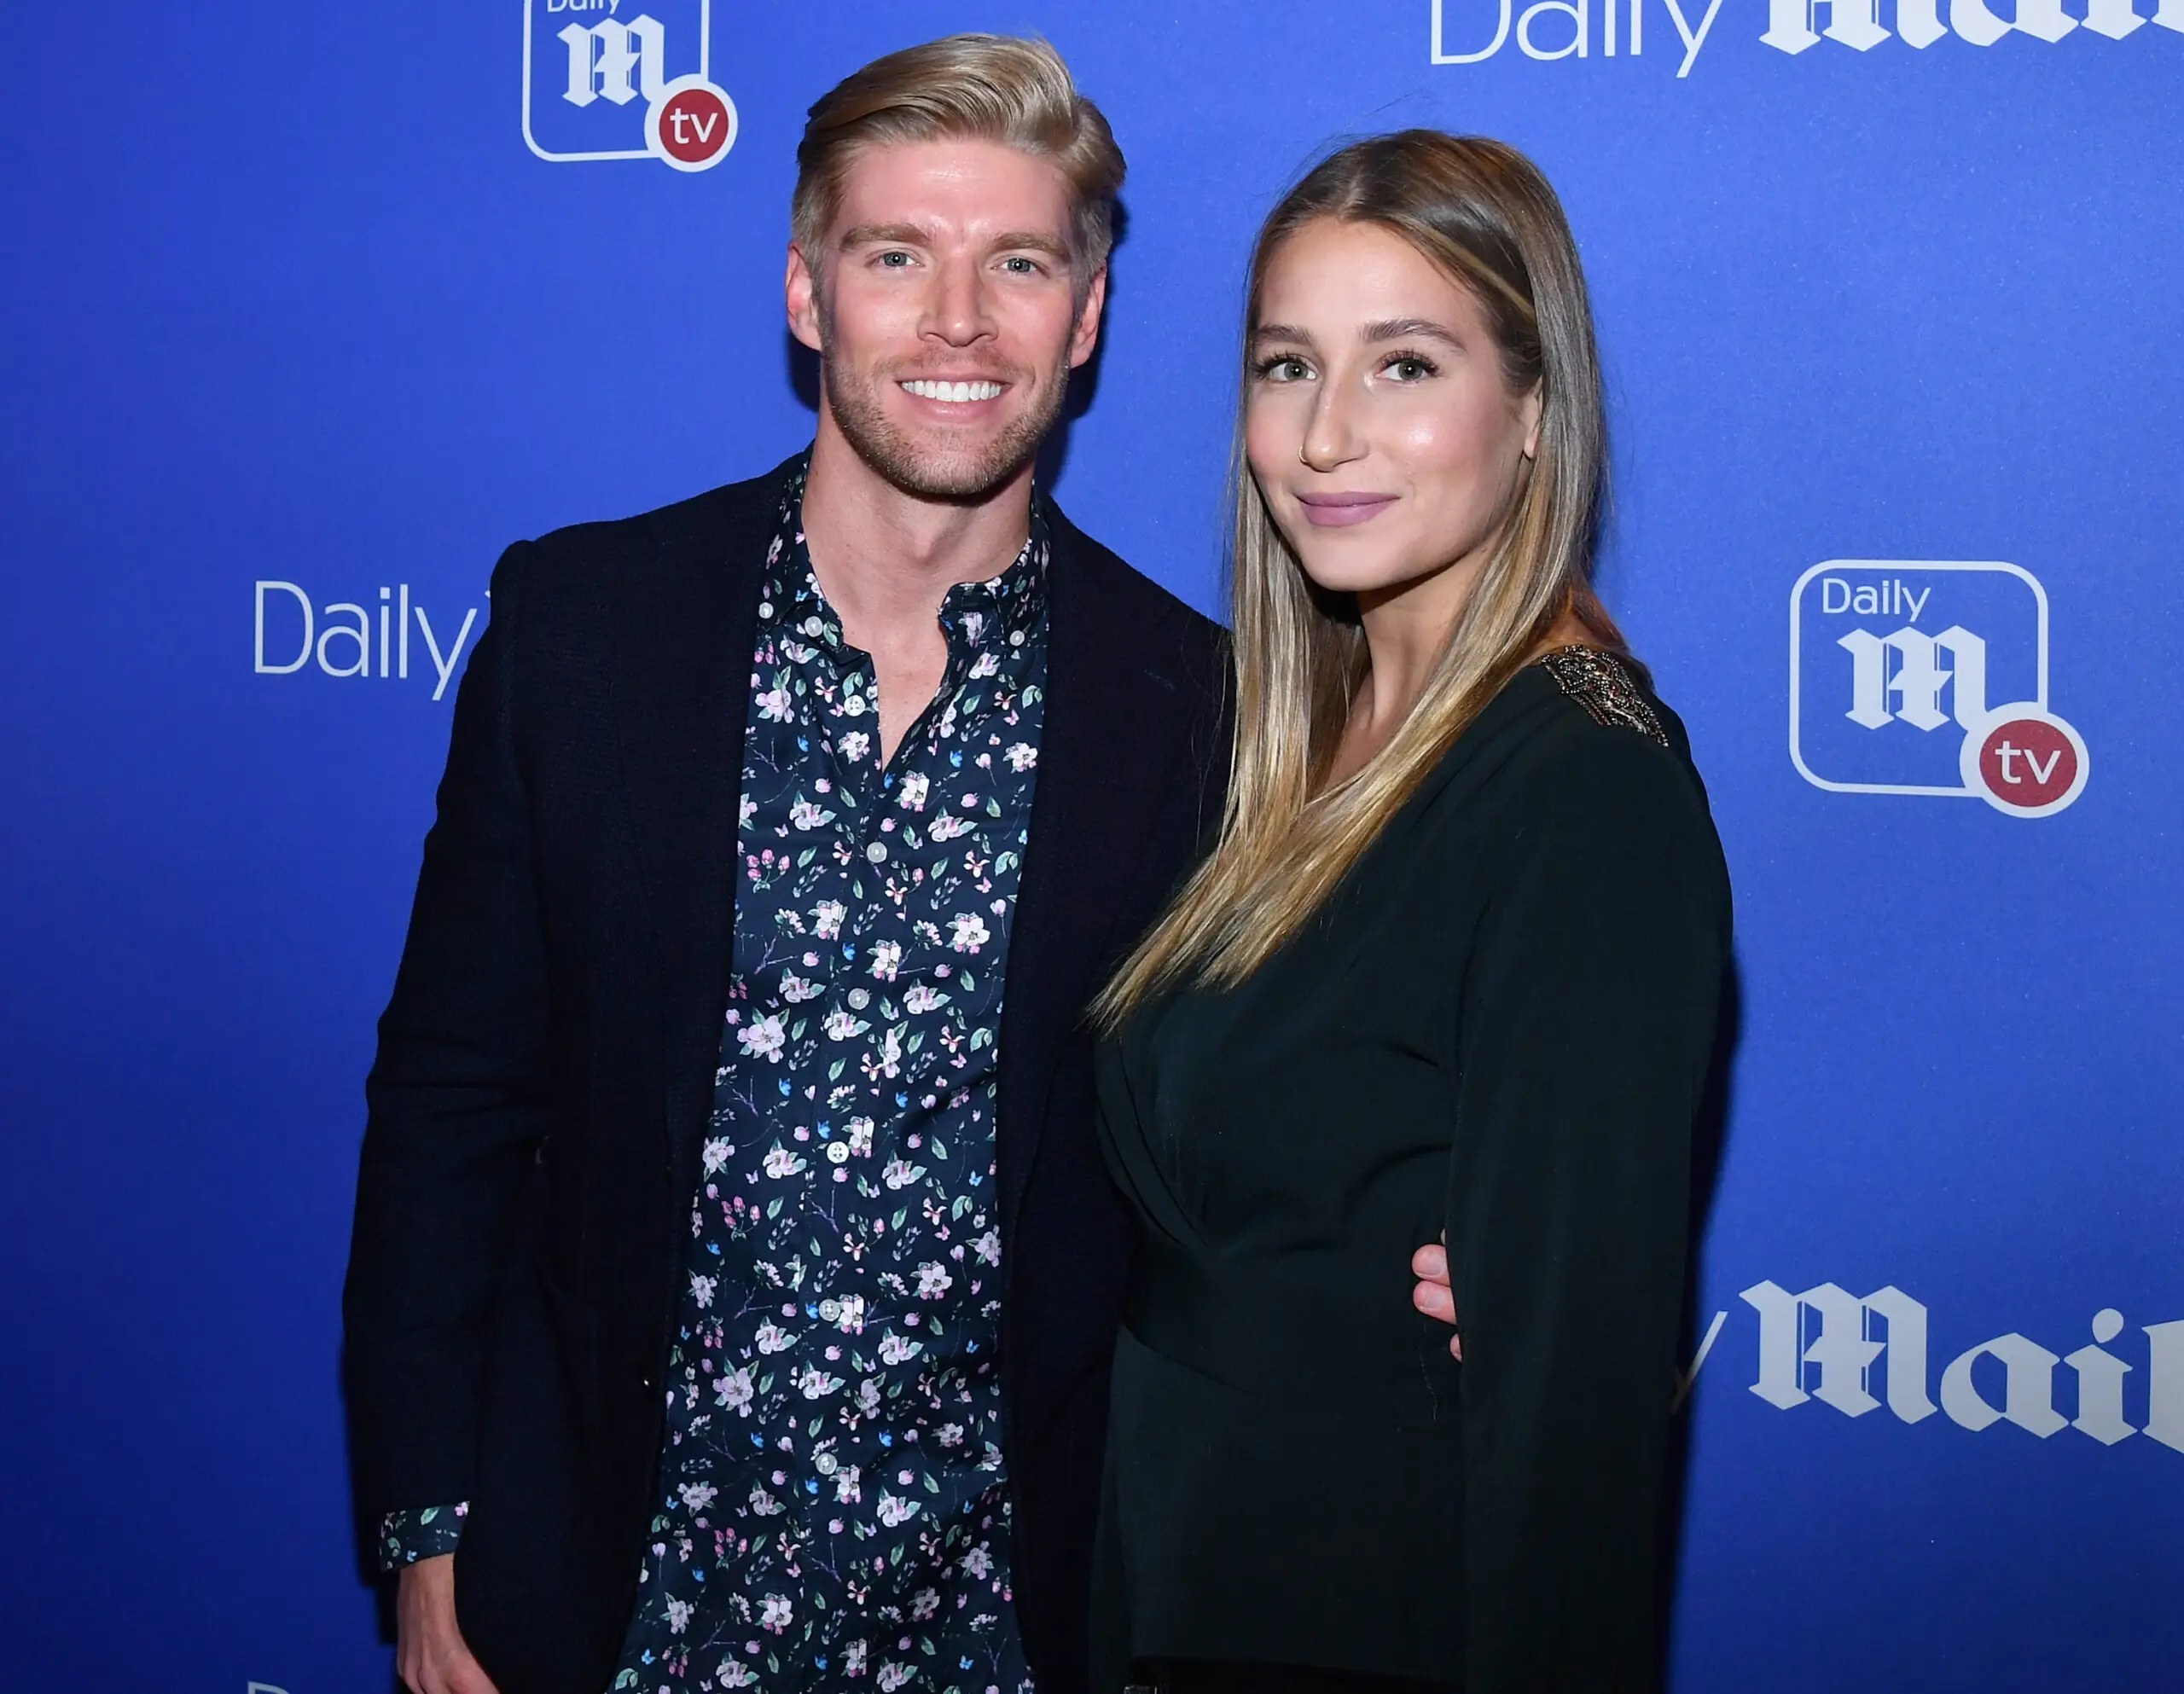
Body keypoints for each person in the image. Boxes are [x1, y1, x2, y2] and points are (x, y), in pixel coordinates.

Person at [341, 36, 1237, 1694]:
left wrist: (1463, 1245)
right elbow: (453, 1099)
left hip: (1008, 1635)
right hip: (619, 1612)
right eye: (897, 255)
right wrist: (427, 1523)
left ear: (1087, 315)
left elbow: (1261, 1158)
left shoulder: (1198, 711)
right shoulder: (587, 633)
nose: (957, 321)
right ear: (807, 294)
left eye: (1018, 263)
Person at [1087, 132, 1734, 1693]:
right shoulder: (1287, 735)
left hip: (1376, 1622)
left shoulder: (1584, 787)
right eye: (1287, 364)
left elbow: (1565, 1432)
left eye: (1406, 366)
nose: (1325, 436)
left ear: (1532, 412)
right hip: (1183, 1577)